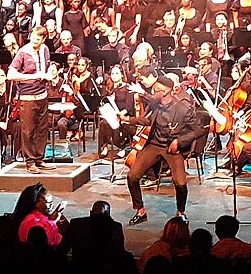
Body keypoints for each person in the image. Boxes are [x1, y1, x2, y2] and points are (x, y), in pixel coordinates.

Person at [122, 73, 201, 225]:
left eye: (156, 90)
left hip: (172, 148)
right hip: (155, 145)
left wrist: (179, 141)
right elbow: (148, 120)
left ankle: (180, 212)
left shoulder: (183, 108)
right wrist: (127, 120)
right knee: (132, 176)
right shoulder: (156, 106)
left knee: (181, 184)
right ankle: (140, 211)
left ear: (165, 92)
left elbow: (198, 130)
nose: (153, 93)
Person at [7, 26, 55, 174]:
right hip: (27, 97)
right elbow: (10, 74)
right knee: (28, 130)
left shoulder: (45, 49)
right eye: (33, 37)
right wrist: (35, 76)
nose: (34, 40)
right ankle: (30, 161)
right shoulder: (23, 52)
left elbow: (47, 65)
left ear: (43, 39)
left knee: (42, 129)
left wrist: (51, 71)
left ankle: (39, 158)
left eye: (38, 39)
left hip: (42, 95)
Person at [57, 200, 128, 271]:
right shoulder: (115, 227)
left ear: (90, 213)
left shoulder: (76, 224)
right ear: (108, 214)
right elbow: (120, 253)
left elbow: (62, 249)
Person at [12, 182, 66, 247]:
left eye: (51, 202)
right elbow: (49, 241)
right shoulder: (32, 221)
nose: (51, 206)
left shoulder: (40, 217)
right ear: (36, 202)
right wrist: (53, 222)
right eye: (48, 202)